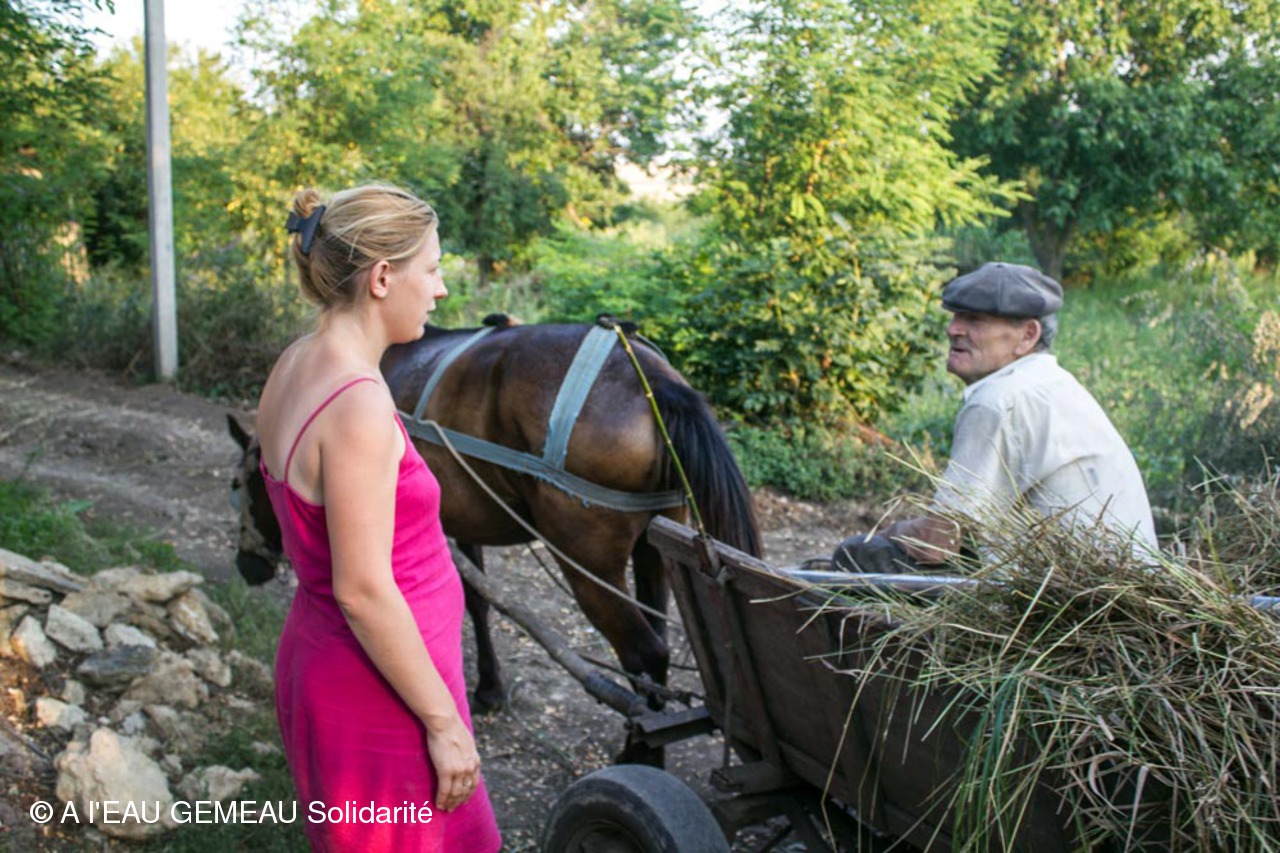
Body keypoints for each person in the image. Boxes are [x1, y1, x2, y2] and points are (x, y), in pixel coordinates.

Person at [256, 183, 501, 851]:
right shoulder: (357, 404)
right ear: (383, 277)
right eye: (433, 268)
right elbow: (362, 589)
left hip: (349, 664)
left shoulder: (296, 362)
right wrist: (443, 722)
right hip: (379, 691)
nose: (440, 290)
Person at [833, 262, 1157, 573]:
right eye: (956, 316)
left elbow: (937, 543)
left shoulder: (998, 401)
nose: (953, 329)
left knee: (858, 554)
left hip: (1063, 593)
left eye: (974, 320)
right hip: (1119, 583)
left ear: (1028, 335)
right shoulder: (1054, 384)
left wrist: (893, 531)